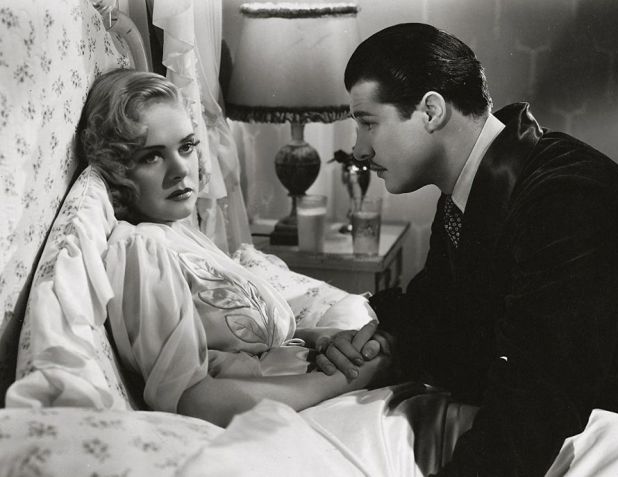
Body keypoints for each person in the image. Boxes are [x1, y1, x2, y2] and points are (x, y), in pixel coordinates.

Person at [316, 22, 618, 476]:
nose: (359, 150)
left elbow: (536, 403)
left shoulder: (566, 198)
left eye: (367, 123)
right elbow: (443, 305)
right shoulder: (474, 185)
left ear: (431, 111)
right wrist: (380, 338)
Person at [76, 68, 389, 428]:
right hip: (284, 415)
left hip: (307, 388)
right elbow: (194, 400)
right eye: (151, 156)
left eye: (186, 146)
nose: (180, 170)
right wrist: (345, 379)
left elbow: (242, 348)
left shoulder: (177, 231)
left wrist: (328, 341)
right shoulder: (141, 248)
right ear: (117, 168)